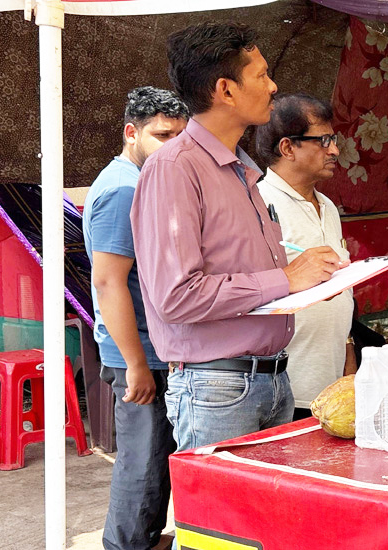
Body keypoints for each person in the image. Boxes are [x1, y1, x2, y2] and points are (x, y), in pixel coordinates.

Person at [131, 22, 347, 452]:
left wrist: (310, 284)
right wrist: (286, 279)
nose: (273, 85)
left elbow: (243, 282)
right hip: (218, 389)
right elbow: (176, 296)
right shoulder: (174, 169)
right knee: (217, 521)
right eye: (261, 75)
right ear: (225, 90)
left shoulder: (240, 170)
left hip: (270, 379)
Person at [84, 86, 188, 550]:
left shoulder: (139, 181)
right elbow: (108, 282)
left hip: (149, 348)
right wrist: (136, 364)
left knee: (153, 463)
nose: (174, 146)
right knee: (142, 467)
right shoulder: (124, 188)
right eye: (163, 135)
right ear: (132, 133)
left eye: (180, 137)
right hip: (137, 354)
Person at [254, 93, 356, 418]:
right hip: (283, 389)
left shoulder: (327, 207)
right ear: (287, 148)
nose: (335, 150)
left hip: (331, 382)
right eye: (324, 140)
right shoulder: (257, 206)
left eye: (334, 139)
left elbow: (340, 287)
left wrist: (348, 354)